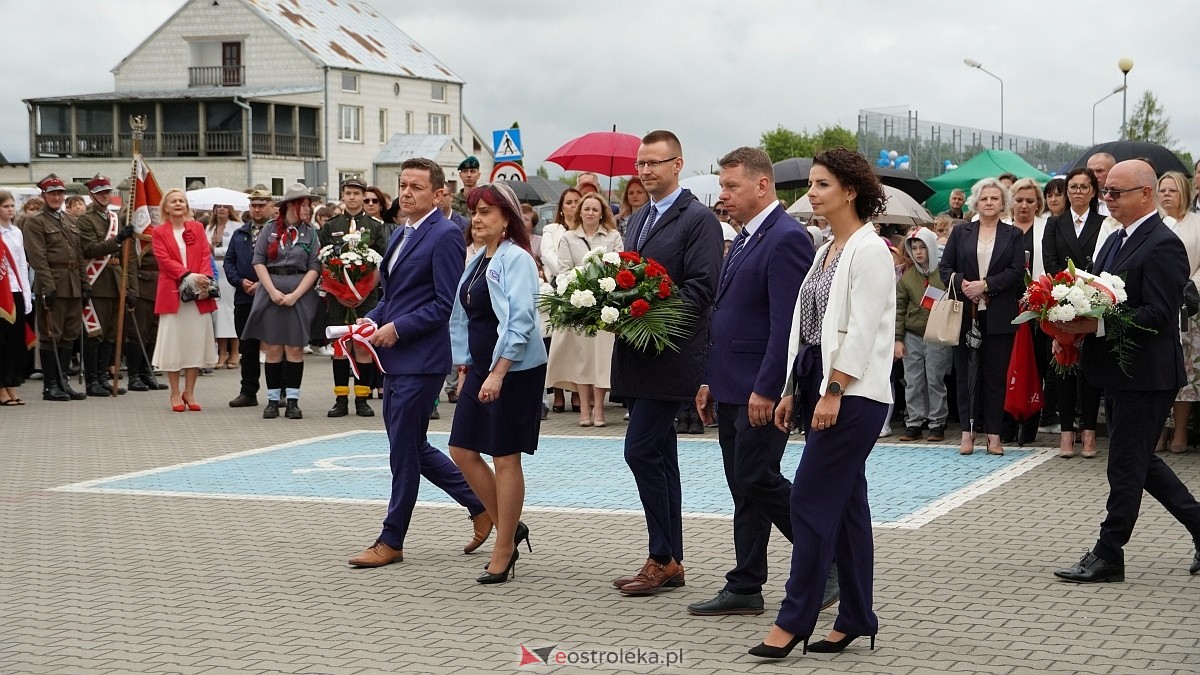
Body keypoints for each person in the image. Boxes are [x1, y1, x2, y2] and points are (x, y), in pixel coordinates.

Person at [749, 147, 894, 659]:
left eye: (821, 185)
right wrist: (793, 389)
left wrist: (833, 392)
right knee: (849, 505)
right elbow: (804, 329)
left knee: (809, 501)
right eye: (811, 184)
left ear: (850, 192)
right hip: (816, 382)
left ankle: (795, 619)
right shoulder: (825, 248)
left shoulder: (870, 250)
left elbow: (861, 331)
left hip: (852, 392)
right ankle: (856, 615)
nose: (811, 193)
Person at [1053, 159, 1200, 583]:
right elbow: (1100, 295)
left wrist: (1095, 323)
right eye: (1106, 193)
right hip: (1117, 370)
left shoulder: (1163, 243)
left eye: (1116, 193)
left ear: (1146, 194)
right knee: (1139, 462)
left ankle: (1108, 552)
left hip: (1147, 374)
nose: (1108, 199)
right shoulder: (1114, 238)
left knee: (1124, 466)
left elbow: (1157, 313)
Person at [688, 147, 816, 617]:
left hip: (758, 388)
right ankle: (745, 584)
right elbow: (723, 314)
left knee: (757, 477)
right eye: (721, 186)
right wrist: (708, 380)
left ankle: (828, 560)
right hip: (729, 383)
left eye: (730, 186)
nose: (722, 196)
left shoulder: (786, 238)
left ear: (762, 186)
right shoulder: (745, 238)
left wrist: (769, 387)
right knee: (743, 486)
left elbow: (787, 324)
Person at [349, 157, 489, 568]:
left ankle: (391, 540)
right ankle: (485, 506)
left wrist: (398, 329)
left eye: (416, 187)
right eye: (403, 185)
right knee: (409, 445)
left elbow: (444, 303)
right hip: (395, 358)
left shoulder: (445, 234)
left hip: (422, 360)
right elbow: (394, 297)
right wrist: (371, 320)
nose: (407, 193)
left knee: (403, 453)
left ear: (437, 193)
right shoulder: (400, 232)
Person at [610, 130, 722, 596]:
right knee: (660, 456)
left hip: (670, 354)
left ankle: (661, 556)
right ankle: (670, 558)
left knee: (639, 450)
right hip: (636, 353)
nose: (646, 171)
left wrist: (647, 307)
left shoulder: (698, 219)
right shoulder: (635, 219)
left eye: (655, 163)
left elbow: (701, 290)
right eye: (641, 163)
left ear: (678, 164)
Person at [447, 183, 547, 584]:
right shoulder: (478, 260)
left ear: (507, 219)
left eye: (487, 212)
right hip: (483, 368)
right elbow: (467, 318)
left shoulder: (517, 259)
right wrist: (468, 365)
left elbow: (521, 321)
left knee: (505, 457)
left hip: (514, 370)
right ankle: (510, 524)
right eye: (474, 212)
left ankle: (504, 546)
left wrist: (499, 371)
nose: (477, 219)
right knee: (461, 449)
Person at [939, 177, 1025, 456]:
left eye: (995, 198)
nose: (989, 202)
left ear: (1003, 204)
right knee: (964, 375)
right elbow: (945, 268)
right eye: (984, 198)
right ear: (975, 202)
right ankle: (967, 433)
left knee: (994, 377)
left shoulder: (1013, 235)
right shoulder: (961, 232)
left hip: (998, 314)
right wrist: (965, 284)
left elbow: (1015, 272)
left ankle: (994, 434)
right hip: (964, 313)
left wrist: (986, 285)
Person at [241, 184, 321, 420]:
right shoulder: (269, 230)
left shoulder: (311, 232)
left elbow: (315, 266)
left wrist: (296, 294)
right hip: (271, 290)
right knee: (273, 347)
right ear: (290, 206)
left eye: (309, 205)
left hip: (300, 290)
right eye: (303, 205)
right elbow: (259, 261)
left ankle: (293, 401)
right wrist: (271, 290)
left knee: (295, 347)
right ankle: (273, 400)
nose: (308, 209)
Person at [544, 193, 622, 427]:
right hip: (579, 305)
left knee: (601, 359)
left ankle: (599, 408)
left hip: (604, 307)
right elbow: (564, 269)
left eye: (594, 209)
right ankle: (584, 411)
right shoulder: (568, 237)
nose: (590, 213)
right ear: (580, 212)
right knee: (581, 359)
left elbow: (619, 264)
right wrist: (583, 287)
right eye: (586, 208)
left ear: (602, 213)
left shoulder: (613, 236)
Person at [1043, 168, 1105, 458]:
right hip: (1062, 303)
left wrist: (1088, 293)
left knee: (1091, 369)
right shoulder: (1054, 224)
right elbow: (1050, 261)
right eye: (1073, 187)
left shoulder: (1104, 224)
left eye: (1084, 186)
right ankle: (1067, 433)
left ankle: (1089, 432)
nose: (1078, 191)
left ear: (1093, 191)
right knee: (1063, 367)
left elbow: (1105, 262)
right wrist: (1066, 294)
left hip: (1093, 302)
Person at [319, 177, 386, 418]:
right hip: (339, 297)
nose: (353, 197)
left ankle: (362, 399)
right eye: (348, 193)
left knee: (362, 345)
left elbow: (381, 263)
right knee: (340, 345)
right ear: (343, 195)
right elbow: (325, 263)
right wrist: (340, 292)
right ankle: (340, 399)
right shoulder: (331, 226)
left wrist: (365, 291)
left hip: (366, 297)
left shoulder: (375, 226)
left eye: (357, 193)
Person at [149, 189, 217, 411]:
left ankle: (190, 391)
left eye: (181, 201)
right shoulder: (159, 232)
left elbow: (205, 255)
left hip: (198, 294)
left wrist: (204, 278)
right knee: (173, 343)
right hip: (173, 293)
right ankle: (175, 393)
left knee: (194, 343)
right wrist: (187, 275)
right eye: (173, 201)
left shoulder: (197, 228)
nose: (178, 204)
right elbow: (163, 259)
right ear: (166, 207)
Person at [23, 175, 89, 402]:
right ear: (44, 196)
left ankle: (63, 382)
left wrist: (85, 283)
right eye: (52, 193)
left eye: (60, 193)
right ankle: (50, 385)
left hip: (72, 283)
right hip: (52, 282)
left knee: (69, 334)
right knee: (52, 333)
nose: (57, 197)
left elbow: (78, 255)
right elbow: (37, 256)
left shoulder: (70, 220)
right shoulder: (36, 221)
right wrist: (48, 286)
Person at [75, 175, 136, 397]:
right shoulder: (85, 220)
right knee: (96, 333)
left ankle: (103, 377)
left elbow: (124, 257)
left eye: (107, 191)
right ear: (91, 195)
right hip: (97, 281)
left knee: (111, 333)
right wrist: (117, 239)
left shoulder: (114, 217)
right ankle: (92, 381)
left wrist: (128, 287)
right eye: (100, 192)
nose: (105, 195)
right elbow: (90, 249)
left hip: (115, 281)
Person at [1002, 178, 1049, 445]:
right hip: (1006, 307)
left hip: (1038, 309)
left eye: (1030, 201)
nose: (1024, 205)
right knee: (1006, 367)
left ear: (1038, 204)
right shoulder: (1003, 229)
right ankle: (1006, 426)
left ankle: (1030, 426)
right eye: (1019, 200)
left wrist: (1038, 296)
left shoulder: (1046, 228)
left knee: (1036, 370)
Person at [894, 226, 952, 442]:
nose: (918, 252)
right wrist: (898, 339)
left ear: (931, 247)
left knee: (935, 379)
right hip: (912, 334)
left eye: (922, 247)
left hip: (937, 334)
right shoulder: (907, 278)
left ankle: (937, 422)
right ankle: (914, 422)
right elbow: (899, 310)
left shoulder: (944, 274)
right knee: (913, 380)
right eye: (914, 248)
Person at [1158, 171, 1200, 453]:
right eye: (1162, 190)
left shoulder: (1197, 224)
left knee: (1186, 372)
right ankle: (1157, 431)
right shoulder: (1153, 223)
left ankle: (1180, 433)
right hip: (1157, 304)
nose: (1167, 195)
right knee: (1158, 371)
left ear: (1184, 192)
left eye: (1173, 190)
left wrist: (1191, 286)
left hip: (1189, 306)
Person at [224, 189, 270, 407]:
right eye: (253, 205)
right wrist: (240, 282)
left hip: (271, 296)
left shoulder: (276, 233)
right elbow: (229, 263)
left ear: (271, 207)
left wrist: (264, 283)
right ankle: (248, 391)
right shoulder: (240, 233)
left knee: (273, 345)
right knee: (247, 346)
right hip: (244, 297)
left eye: (261, 205)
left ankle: (277, 393)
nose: (257, 209)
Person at [540, 187, 582, 413]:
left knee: (578, 344)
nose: (573, 206)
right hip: (558, 287)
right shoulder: (552, 229)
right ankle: (557, 393)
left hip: (582, 291)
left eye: (577, 201)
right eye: (568, 202)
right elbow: (547, 255)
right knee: (558, 345)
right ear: (561, 207)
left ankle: (577, 392)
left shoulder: (584, 230)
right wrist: (568, 274)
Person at [0, 191, 32, 405]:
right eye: (5, 206)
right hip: (1, 293)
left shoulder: (17, 233)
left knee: (13, 342)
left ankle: (11, 384)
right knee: (0, 342)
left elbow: (22, 264)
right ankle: (1, 389)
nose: (11, 209)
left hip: (16, 290)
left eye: (12, 206)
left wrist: (27, 295)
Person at [205, 204, 240, 369]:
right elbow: (203, 249)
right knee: (217, 314)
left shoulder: (237, 227)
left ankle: (235, 351)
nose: (222, 209)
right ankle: (222, 352)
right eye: (218, 206)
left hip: (230, 272)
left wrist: (217, 249)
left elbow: (237, 250)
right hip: (214, 272)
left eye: (225, 207)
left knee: (231, 312)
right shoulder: (209, 227)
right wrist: (210, 247)